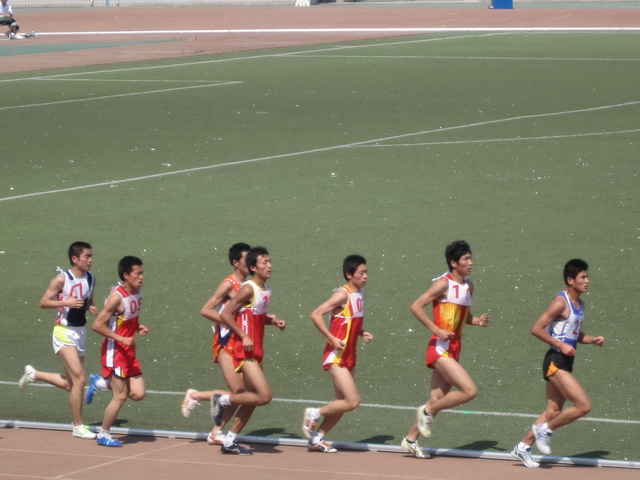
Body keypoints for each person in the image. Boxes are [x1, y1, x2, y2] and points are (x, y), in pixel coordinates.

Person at [511, 259, 605, 468]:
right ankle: (545, 430)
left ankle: (523, 447)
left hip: (566, 361)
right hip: (555, 361)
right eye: (583, 277)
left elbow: (574, 333)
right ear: (571, 280)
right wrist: (560, 345)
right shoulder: (560, 302)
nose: (587, 280)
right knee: (583, 405)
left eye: (587, 277)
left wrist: (592, 340)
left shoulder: (580, 304)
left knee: (553, 411)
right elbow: (536, 329)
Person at [402, 240, 489, 459]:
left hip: (455, 347)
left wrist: (477, 321)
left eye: (470, 258)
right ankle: (427, 412)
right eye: (466, 259)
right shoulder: (443, 284)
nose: (471, 262)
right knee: (469, 391)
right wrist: (436, 329)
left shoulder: (469, 286)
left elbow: (463, 316)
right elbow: (415, 306)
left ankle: (410, 440)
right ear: (454, 263)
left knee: (436, 399)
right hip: (440, 347)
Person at [210, 246, 286, 455]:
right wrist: (243, 336)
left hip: (257, 350)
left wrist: (273, 322)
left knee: (252, 399)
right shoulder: (247, 288)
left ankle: (229, 441)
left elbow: (254, 317)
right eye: (264, 262)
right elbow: (226, 314)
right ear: (253, 267)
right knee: (264, 396)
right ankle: (222, 400)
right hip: (243, 351)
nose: (269, 266)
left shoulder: (265, 290)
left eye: (270, 261)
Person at [18, 241, 98, 439]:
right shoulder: (62, 280)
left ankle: (34, 374)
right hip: (63, 332)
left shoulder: (91, 278)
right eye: (87, 256)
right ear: (75, 259)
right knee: (80, 379)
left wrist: (90, 307)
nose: (90, 260)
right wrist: (66, 302)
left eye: (91, 256)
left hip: (80, 332)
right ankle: (78, 426)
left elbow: (88, 300)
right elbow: (43, 302)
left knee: (73, 385)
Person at [180, 242, 253, 447]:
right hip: (225, 342)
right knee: (239, 393)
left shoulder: (249, 287)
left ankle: (216, 433)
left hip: (241, 344)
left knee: (244, 395)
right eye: (247, 259)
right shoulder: (229, 284)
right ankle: (196, 396)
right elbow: (206, 310)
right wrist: (229, 321)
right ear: (236, 262)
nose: (251, 263)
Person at [301, 254, 373, 453]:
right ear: (349, 275)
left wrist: (361, 332)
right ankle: (314, 413)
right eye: (361, 273)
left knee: (343, 403)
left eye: (366, 272)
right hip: (336, 356)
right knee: (352, 401)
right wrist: (331, 338)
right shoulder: (342, 295)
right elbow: (316, 314)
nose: (365, 276)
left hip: (349, 357)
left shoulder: (361, 295)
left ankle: (317, 439)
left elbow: (350, 321)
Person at [87, 256, 148, 447]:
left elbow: (127, 318)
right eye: (138, 273)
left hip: (129, 352)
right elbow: (97, 325)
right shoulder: (116, 297)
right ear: (126, 275)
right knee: (120, 396)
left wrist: (137, 326)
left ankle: (100, 382)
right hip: (116, 352)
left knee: (138, 394)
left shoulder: (137, 292)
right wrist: (121, 339)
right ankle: (103, 434)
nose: (141, 277)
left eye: (142, 273)